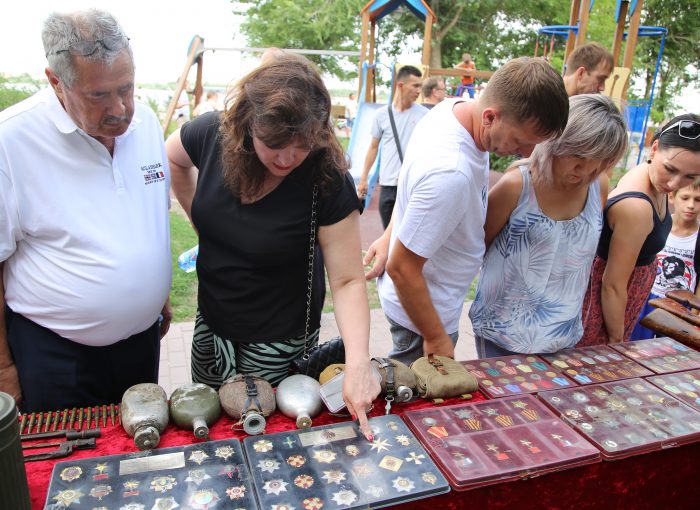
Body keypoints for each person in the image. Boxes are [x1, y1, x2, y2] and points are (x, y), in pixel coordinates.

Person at [165, 54, 379, 438]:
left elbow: (348, 280)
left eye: (303, 144)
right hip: (210, 330)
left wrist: (359, 361)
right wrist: (204, 227)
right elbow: (172, 159)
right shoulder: (212, 134)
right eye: (274, 144)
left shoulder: (326, 178)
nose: (287, 158)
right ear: (247, 123)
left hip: (278, 343)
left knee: (272, 444)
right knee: (210, 435)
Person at [0, 9, 172, 412]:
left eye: (126, 88)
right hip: (57, 358)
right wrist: (4, 368)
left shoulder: (145, 123)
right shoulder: (11, 141)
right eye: (99, 95)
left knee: (138, 458)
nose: (120, 109)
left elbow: (147, 214)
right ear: (56, 81)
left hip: (141, 345)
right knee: (67, 467)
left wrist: (154, 294)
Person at [364, 57, 569, 365]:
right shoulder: (451, 172)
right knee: (414, 402)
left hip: (430, 301)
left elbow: (413, 187)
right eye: (521, 142)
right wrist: (435, 336)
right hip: (420, 317)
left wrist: (391, 233)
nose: (527, 154)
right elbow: (402, 268)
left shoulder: (453, 110)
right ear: (490, 117)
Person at [469, 95, 628, 357]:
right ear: (556, 141)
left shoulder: (597, 186)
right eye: (577, 154)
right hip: (503, 335)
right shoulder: (516, 186)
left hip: (563, 335)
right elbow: (476, 248)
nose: (584, 169)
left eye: (597, 159)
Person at [580, 114, 700, 345]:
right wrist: (617, 339)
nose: (674, 184)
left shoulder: (654, 182)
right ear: (654, 149)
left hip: (625, 298)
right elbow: (612, 285)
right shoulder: (637, 207)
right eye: (670, 169)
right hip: (606, 309)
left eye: (690, 176)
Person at [357, 65, 426, 228]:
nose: (419, 91)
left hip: (411, 184)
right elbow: (373, 147)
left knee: (408, 233)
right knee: (387, 233)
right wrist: (364, 179)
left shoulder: (425, 115)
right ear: (400, 85)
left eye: (420, 86)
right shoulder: (382, 115)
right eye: (415, 85)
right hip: (388, 184)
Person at [630, 181, 700, 340]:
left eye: (698, 200)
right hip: (648, 299)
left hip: (681, 306)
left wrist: (693, 315)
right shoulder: (658, 225)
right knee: (635, 347)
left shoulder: (698, 237)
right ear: (672, 197)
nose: (691, 205)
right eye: (685, 198)